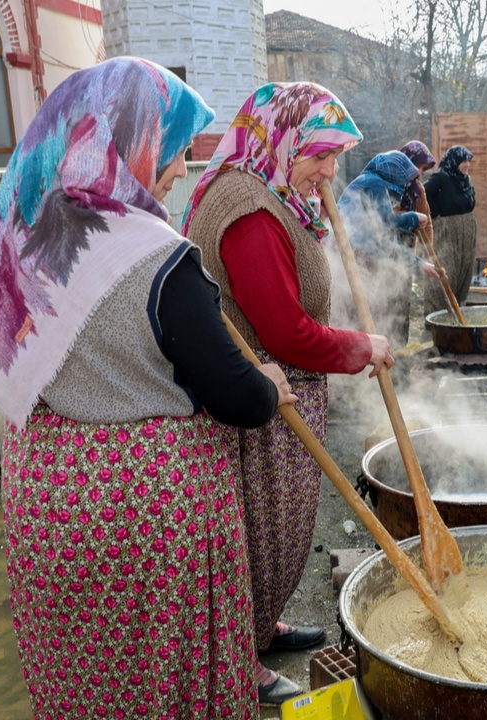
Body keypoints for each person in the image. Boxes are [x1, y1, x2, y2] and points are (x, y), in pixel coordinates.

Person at [0, 58, 295, 717]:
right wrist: (266, 382)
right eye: (172, 152)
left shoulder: (19, 241)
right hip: (143, 514)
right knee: (167, 673)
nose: (179, 171)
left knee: (87, 671)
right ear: (127, 147)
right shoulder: (153, 256)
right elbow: (235, 397)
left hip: (50, 502)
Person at [181, 82, 396, 704]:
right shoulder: (249, 213)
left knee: (272, 535)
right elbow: (284, 331)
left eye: (335, 157)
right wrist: (360, 347)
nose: (330, 171)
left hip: (281, 402)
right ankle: (242, 659)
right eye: (320, 155)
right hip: (266, 410)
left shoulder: (266, 191)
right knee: (262, 534)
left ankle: (261, 626)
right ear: (284, 140)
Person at [337, 150, 438, 346]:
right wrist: (413, 218)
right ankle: (362, 362)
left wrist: (419, 264)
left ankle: (365, 361)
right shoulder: (374, 183)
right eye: (407, 179)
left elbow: (383, 243)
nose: (407, 185)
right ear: (396, 173)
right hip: (354, 257)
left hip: (353, 254)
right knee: (362, 316)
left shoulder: (369, 181)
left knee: (361, 316)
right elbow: (385, 223)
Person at [423, 145, 478, 317]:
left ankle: (455, 313)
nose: (466, 165)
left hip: (466, 234)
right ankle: (436, 316)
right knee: (446, 271)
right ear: (453, 161)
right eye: (463, 161)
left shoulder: (465, 181)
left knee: (463, 271)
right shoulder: (441, 177)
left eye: (468, 161)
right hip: (447, 234)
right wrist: (436, 213)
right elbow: (424, 192)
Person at [397, 140, 437, 213]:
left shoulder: (417, 189)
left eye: (424, 169)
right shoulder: (389, 185)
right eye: (417, 166)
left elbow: (426, 221)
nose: (419, 172)